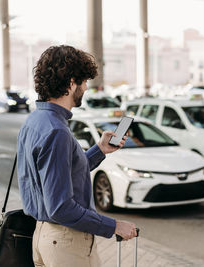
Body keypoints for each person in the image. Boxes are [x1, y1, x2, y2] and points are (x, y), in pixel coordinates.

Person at [17, 45, 137, 267]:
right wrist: (113, 226)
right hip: (66, 242)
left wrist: (98, 150)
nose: (86, 88)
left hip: (44, 235)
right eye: (84, 82)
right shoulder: (56, 130)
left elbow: (60, 175)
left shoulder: (35, 122)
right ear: (72, 83)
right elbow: (60, 207)